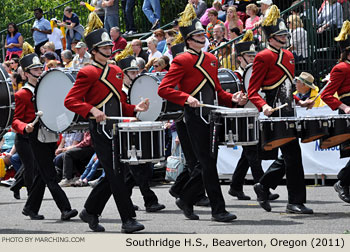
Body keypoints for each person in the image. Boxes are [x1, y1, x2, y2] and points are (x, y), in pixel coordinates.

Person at [158, 4, 247, 222]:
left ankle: (186, 198)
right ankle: (218, 209)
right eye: (198, 35)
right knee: (206, 163)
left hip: (212, 116)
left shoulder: (211, 60)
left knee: (209, 163)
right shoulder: (181, 60)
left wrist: (232, 99)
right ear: (189, 40)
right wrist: (186, 98)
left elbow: (216, 91)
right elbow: (164, 89)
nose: (202, 37)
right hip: (194, 117)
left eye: (202, 34)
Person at [64, 28, 148, 233]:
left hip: (117, 127)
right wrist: (92, 109)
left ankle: (90, 210)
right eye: (104, 47)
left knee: (117, 172)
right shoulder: (86, 72)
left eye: (110, 46)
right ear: (94, 51)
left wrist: (134, 109)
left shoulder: (116, 71)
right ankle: (128, 219)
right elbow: (70, 101)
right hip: (100, 129)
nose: (109, 50)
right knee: (116, 173)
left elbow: (118, 103)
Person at [247, 5, 314, 214]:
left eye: (285, 33)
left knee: (290, 156)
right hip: (274, 114)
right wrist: (264, 106)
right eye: (281, 34)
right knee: (293, 156)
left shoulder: (289, 56)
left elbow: (285, 86)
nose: (285, 37)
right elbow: (253, 91)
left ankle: (263, 185)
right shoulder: (263, 56)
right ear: (271, 37)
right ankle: (294, 201)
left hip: (289, 110)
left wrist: (299, 101)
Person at [12, 53, 78, 221]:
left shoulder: (46, 88)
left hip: (50, 134)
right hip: (35, 136)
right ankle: (65, 209)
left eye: (40, 68)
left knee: (42, 174)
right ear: (26, 74)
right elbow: (15, 120)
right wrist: (24, 127)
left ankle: (30, 208)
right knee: (49, 174)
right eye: (35, 69)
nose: (39, 71)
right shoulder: (22, 94)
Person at [116, 55, 166, 212]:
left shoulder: (137, 89)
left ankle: (126, 200)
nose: (135, 76)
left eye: (136, 72)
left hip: (139, 131)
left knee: (138, 169)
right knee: (138, 168)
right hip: (125, 134)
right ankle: (149, 200)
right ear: (123, 74)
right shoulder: (119, 92)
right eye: (131, 73)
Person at [321, 20, 350, 204]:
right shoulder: (340, 68)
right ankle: (342, 181)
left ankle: (343, 181)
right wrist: (345, 107)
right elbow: (326, 94)